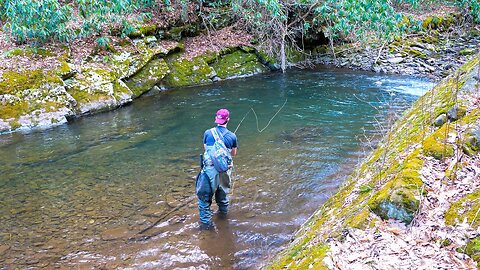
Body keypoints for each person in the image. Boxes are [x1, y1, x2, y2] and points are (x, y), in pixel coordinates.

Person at [196, 108, 238, 229]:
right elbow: (234, 153)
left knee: (204, 199)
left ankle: (206, 227)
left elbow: (206, 148)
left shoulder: (208, 133)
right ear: (228, 119)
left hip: (209, 171)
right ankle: (223, 220)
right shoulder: (232, 136)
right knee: (223, 197)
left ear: (216, 119)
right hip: (225, 170)